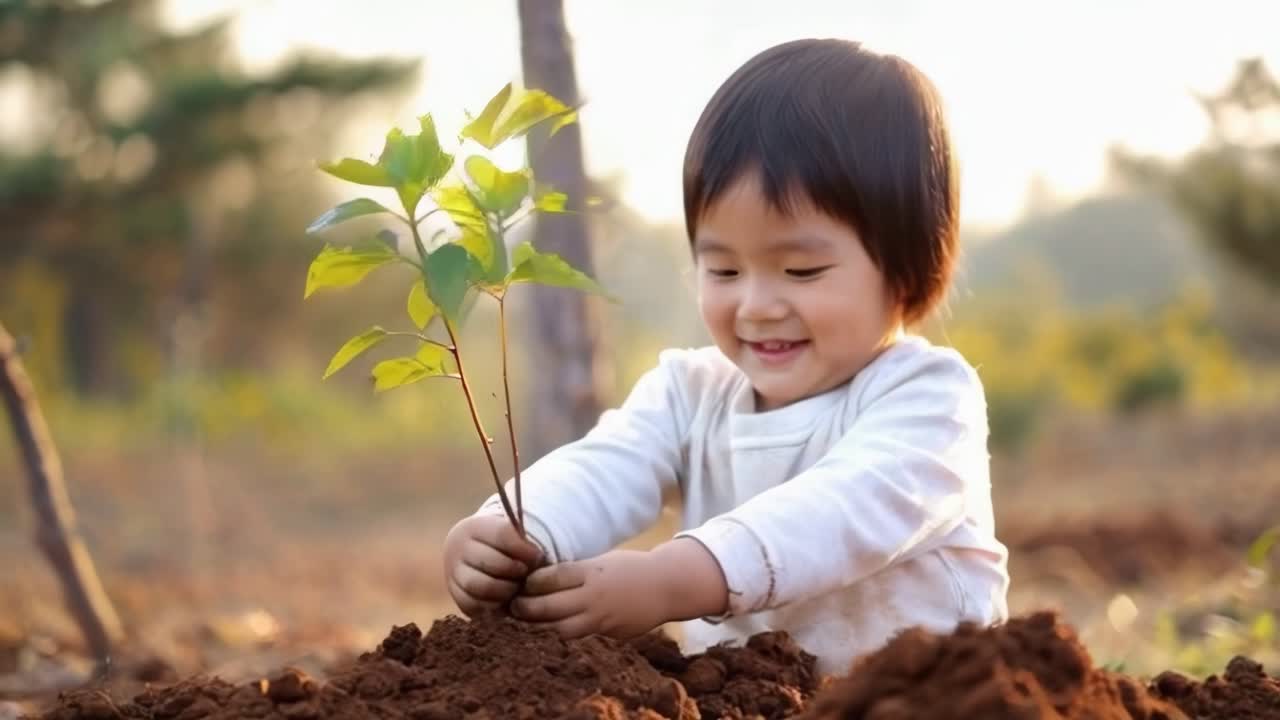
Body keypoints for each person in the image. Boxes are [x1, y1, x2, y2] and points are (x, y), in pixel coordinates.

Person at [441, 37, 1010, 675]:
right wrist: (513, 529)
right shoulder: (691, 393)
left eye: (800, 270)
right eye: (724, 269)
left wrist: (674, 579)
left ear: (906, 272)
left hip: (925, 699)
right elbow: (603, 468)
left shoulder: (929, 398)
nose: (757, 304)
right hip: (750, 699)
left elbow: (840, 512)